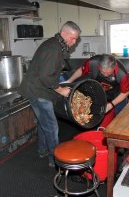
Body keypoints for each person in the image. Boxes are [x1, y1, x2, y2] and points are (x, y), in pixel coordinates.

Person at [24, 21, 81, 167]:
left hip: (37, 89)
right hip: (39, 91)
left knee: (44, 122)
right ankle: (55, 159)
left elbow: (49, 71)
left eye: (76, 39)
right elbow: (45, 76)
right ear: (64, 34)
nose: (74, 42)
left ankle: (42, 150)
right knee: (52, 126)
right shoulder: (53, 48)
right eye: (73, 38)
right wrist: (61, 90)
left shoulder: (56, 44)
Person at [65, 54, 129, 124]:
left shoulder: (122, 74)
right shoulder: (92, 63)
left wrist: (111, 105)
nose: (105, 75)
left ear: (114, 67)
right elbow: (81, 70)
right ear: (99, 66)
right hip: (100, 92)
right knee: (94, 115)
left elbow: (125, 92)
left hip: (117, 95)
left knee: (121, 119)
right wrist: (69, 81)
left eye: (109, 73)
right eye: (103, 72)